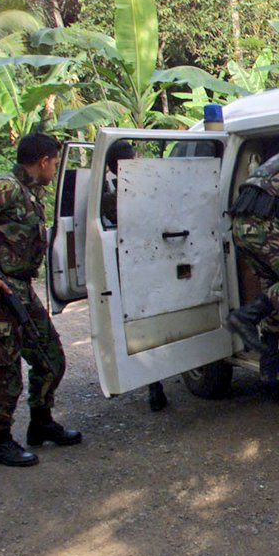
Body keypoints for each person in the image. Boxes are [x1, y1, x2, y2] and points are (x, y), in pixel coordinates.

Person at [0, 133, 82, 467]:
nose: (55, 168)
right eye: (55, 162)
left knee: (50, 357)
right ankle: (0, 442)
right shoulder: (7, 186)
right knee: (4, 368)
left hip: (21, 290)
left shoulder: (30, 193)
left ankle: (41, 423)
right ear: (43, 161)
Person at [226, 142, 279, 383]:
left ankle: (269, 359)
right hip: (263, 224)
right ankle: (245, 317)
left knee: (276, 285)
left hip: (241, 225)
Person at [101, 140, 168, 411]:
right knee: (150, 321)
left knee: (138, 323)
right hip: (149, 262)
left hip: (133, 265)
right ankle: (154, 383)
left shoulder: (110, 197)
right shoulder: (147, 189)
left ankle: (153, 382)